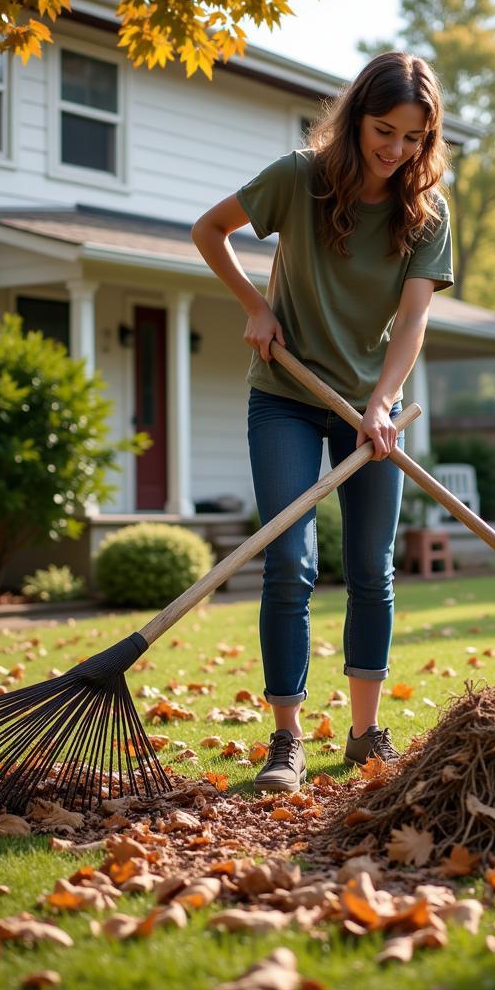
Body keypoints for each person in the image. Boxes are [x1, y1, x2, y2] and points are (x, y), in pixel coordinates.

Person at [191, 51, 453, 793]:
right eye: (383, 129)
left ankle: (366, 732)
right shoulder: (297, 179)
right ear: (356, 116)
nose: (396, 149)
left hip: (369, 408)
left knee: (371, 569)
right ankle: (285, 741)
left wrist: (382, 402)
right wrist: (255, 306)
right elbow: (209, 230)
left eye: (412, 137)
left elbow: (411, 322)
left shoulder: (424, 213)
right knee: (289, 562)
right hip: (286, 394)